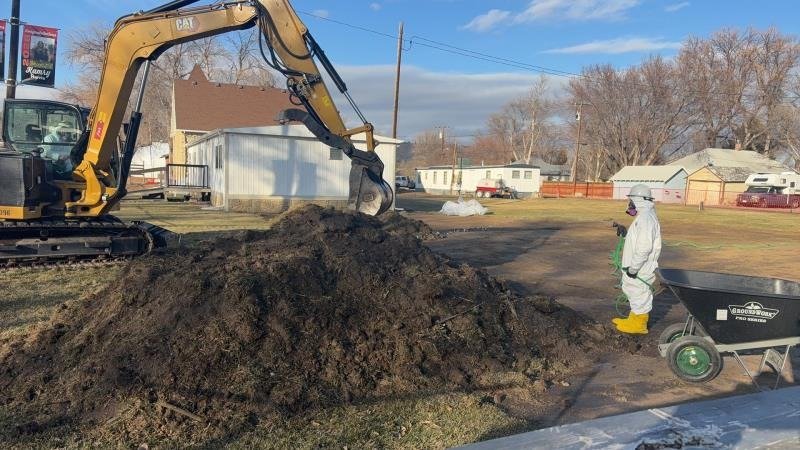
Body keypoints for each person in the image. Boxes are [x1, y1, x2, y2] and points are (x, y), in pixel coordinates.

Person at [612, 184, 662, 334]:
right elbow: (638, 240)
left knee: (639, 292)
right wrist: (626, 234)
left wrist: (634, 268)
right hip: (635, 265)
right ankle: (633, 319)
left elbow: (644, 247)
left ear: (639, 200)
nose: (629, 204)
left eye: (631, 201)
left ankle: (639, 325)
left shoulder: (646, 218)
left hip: (640, 267)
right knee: (633, 290)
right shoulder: (644, 216)